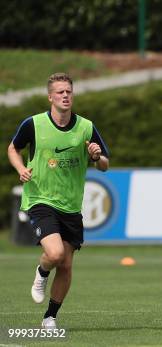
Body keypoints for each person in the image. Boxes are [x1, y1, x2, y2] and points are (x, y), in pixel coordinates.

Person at [7, 73, 110, 329]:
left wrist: (96, 156)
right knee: (54, 254)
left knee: (65, 265)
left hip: (71, 205)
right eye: (60, 92)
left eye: (69, 91)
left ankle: (50, 317)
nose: (65, 95)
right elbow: (13, 148)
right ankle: (41, 273)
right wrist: (20, 168)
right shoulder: (33, 124)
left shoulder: (86, 126)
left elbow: (105, 165)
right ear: (50, 97)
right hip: (40, 198)